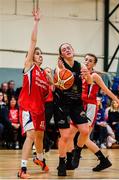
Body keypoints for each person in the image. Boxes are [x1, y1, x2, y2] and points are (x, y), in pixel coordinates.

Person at [67, 53, 119, 172]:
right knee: (69, 135)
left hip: (90, 107)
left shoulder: (94, 76)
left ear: (94, 64)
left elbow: (108, 92)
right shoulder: (80, 75)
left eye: (90, 61)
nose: (87, 62)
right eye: (86, 60)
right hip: (79, 107)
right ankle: (102, 160)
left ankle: (76, 156)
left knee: (83, 137)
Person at [17, 8, 49, 179]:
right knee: (30, 135)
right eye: (36, 53)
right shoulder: (29, 67)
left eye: (41, 54)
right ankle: (22, 169)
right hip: (28, 107)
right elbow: (32, 40)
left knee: (40, 136)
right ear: (30, 57)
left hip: (40, 110)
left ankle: (40, 158)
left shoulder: (44, 74)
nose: (39, 55)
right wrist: (36, 22)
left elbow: (49, 93)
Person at [54, 43, 92, 176]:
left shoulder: (80, 65)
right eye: (63, 49)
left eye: (68, 48)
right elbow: (58, 84)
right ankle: (61, 163)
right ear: (61, 55)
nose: (67, 50)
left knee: (85, 130)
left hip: (76, 103)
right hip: (62, 104)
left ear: (73, 50)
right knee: (64, 136)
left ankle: (78, 151)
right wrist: (62, 74)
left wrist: (87, 74)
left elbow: (90, 82)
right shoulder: (59, 67)